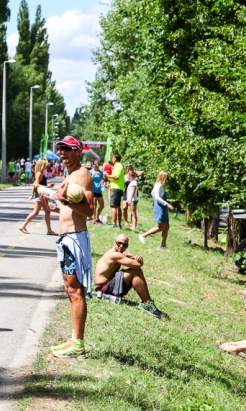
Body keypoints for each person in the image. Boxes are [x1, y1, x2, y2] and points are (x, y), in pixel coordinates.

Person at [40, 136, 94, 358]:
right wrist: (51, 200)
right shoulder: (69, 175)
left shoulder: (82, 175)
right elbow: (65, 207)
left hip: (74, 239)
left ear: (78, 152)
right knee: (70, 290)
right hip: (66, 239)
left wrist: (65, 200)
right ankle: (74, 340)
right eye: (60, 149)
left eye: (67, 149)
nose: (62, 152)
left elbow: (89, 211)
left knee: (75, 291)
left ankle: (78, 345)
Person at [94, 234, 163, 318]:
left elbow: (133, 258)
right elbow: (137, 265)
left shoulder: (119, 253)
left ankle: (147, 302)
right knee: (136, 271)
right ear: (114, 242)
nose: (121, 246)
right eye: (119, 243)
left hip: (107, 285)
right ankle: (147, 303)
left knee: (136, 271)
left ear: (127, 246)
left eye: (124, 245)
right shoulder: (115, 255)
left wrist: (138, 258)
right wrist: (140, 261)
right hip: (104, 288)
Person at [19, 158, 58, 236]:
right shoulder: (39, 173)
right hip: (40, 195)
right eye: (45, 164)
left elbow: (34, 184)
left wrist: (32, 194)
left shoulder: (39, 173)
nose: (47, 166)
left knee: (47, 212)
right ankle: (23, 226)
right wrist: (48, 186)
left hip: (41, 194)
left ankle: (49, 230)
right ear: (42, 165)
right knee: (36, 212)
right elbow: (36, 184)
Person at [139, 171, 174, 247]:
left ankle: (163, 245)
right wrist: (167, 204)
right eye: (166, 178)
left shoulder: (160, 186)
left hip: (163, 207)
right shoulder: (158, 185)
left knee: (167, 226)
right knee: (161, 227)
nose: (167, 180)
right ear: (163, 177)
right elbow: (157, 197)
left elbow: (152, 193)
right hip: (160, 208)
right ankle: (143, 235)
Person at [104, 153, 125, 228]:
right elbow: (114, 177)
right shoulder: (117, 166)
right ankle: (118, 224)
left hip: (116, 188)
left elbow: (116, 177)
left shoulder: (118, 165)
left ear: (115, 158)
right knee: (117, 206)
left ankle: (114, 223)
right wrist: (108, 177)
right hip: (117, 187)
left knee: (113, 206)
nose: (112, 159)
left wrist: (107, 175)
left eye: (113, 158)